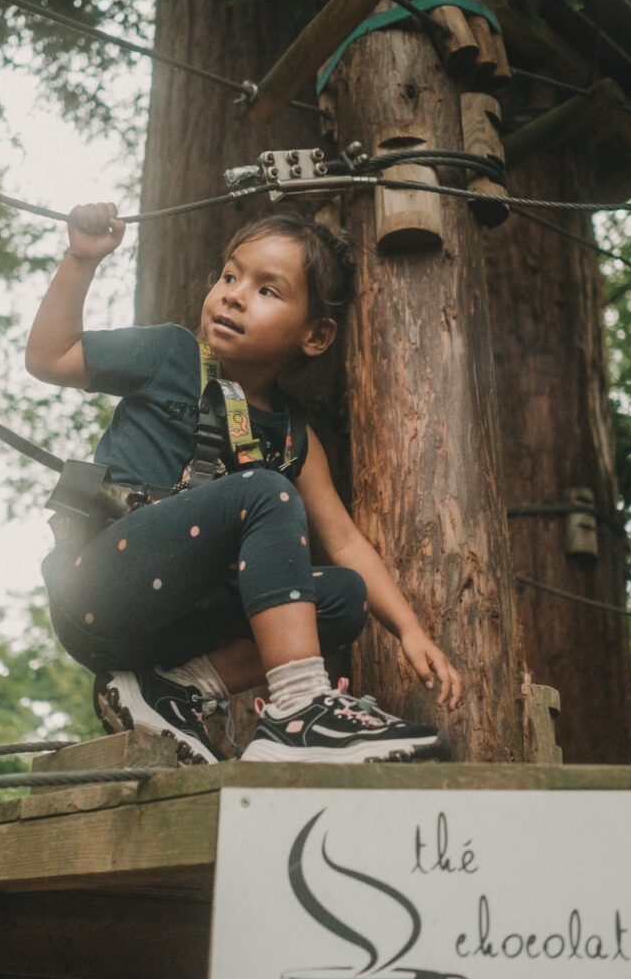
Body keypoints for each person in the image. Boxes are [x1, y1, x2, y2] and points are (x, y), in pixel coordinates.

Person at [25, 202, 463, 764]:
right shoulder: (169, 354)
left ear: (316, 335)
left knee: (341, 598)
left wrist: (409, 631)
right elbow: (49, 357)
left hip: (174, 627)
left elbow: (346, 544)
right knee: (264, 492)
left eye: (267, 290)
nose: (233, 293)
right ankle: (299, 709)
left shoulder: (293, 438)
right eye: (229, 276)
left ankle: (172, 687)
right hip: (101, 587)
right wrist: (80, 261)